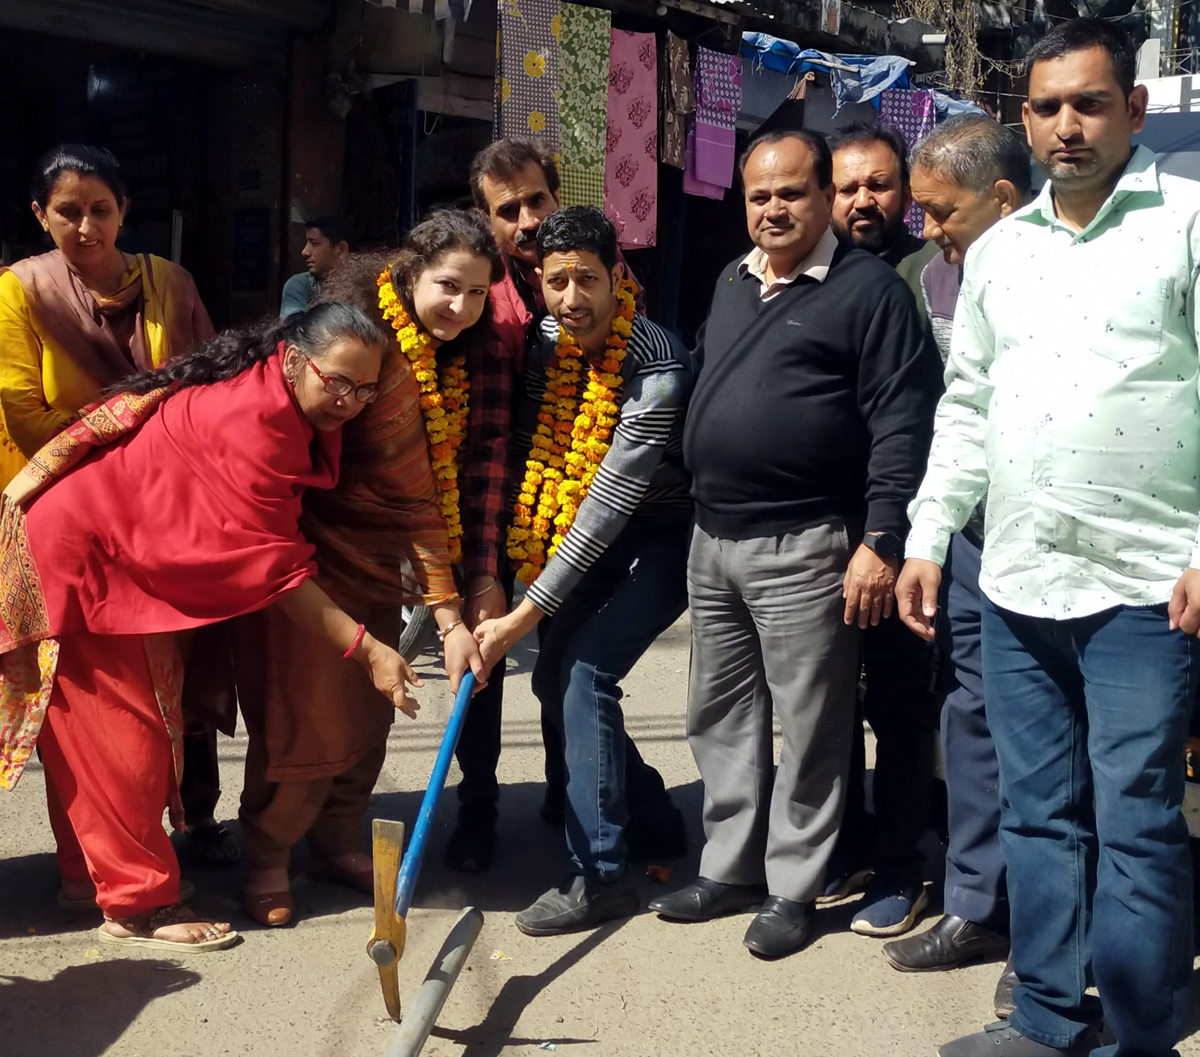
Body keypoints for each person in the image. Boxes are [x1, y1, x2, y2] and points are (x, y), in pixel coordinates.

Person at [896, 19, 1200, 1057]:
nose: (1067, 125)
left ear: (1133, 110)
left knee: (1139, 821)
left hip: (1145, 582)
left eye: (1089, 103)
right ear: (1022, 120)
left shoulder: (1188, 224)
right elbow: (970, 401)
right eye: (1048, 106)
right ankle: (1045, 1014)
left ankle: (1142, 1034)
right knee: (1036, 814)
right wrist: (930, 532)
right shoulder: (1002, 253)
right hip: (1019, 574)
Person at [0, 301, 419, 952]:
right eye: (339, 382)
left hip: (122, 559)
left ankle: (89, 879)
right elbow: (274, 570)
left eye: (366, 389)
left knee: (115, 731)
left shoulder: (278, 402)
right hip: (85, 560)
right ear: (292, 358)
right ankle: (136, 906)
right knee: (123, 739)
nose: (351, 402)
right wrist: (367, 651)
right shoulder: (252, 421)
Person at [649, 129, 942, 959]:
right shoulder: (733, 280)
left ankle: (794, 886)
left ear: (822, 198)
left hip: (809, 542)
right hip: (715, 539)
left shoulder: (869, 293)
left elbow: (901, 424)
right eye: (758, 195)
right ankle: (732, 862)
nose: (773, 209)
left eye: (790, 193)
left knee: (813, 726)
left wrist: (881, 536)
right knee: (722, 714)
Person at [238, 212, 497, 926]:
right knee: (305, 718)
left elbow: (422, 490)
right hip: (309, 557)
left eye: (478, 294)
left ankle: (335, 843)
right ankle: (265, 855)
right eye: (449, 285)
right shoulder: (361, 341)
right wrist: (448, 616)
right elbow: (412, 492)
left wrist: (444, 611)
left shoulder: (449, 357)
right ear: (410, 274)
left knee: (366, 714)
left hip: (378, 561)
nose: (461, 307)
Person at [0, 144, 235, 893]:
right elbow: (27, 416)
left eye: (100, 209)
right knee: (85, 702)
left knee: (176, 684)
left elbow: (205, 390)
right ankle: (93, 866)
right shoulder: (17, 292)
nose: (86, 225)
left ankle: (189, 824)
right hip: (59, 519)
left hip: (161, 518)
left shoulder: (170, 284)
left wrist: (155, 443)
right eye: (67, 211)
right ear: (40, 215)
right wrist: (142, 423)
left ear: (124, 211)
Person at [474, 206, 693, 936]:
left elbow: (611, 497)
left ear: (617, 275)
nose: (573, 298)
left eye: (588, 279)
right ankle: (653, 813)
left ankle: (600, 873)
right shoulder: (544, 346)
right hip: (584, 536)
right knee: (551, 675)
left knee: (584, 672)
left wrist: (526, 611)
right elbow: (533, 462)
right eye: (557, 280)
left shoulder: (656, 360)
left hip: (661, 534)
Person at [449, 139, 659, 872]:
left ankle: (567, 791)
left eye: (538, 199)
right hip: (484, 497)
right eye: (509, 210)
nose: (530, 219)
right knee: (485, 660)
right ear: (486, 218)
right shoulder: (472, 287)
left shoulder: (589, 273)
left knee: (560, 656)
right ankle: (477, 806)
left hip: (571, 495)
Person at [881, 116, 1031, 1022]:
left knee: (1056, 740)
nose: (928, 228)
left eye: (942, 212)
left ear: (1001, 200)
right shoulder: (936, 274)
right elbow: (957, 411)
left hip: (1058, 541)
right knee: (969, 714)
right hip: (970, 533)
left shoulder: (1069, 270)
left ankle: (1059, 934)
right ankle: (979, 904)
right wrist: (929, 537)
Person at [825, 120, 944, 937]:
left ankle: (903, 862)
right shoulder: (810, 272)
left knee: (902, 703)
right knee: (824, 703)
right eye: (847, 187)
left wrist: (894, 533)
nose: (862, 200)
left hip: (899, 528)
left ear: (903, 192)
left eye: (878, 185)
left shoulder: (923, 273)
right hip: (818, 533)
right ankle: (848, 840)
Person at [280, 215, 352, 317]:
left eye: (315, 244)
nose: (304, 252)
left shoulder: (366, 287)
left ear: (341, 249)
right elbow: (293, 330)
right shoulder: (300, 285)